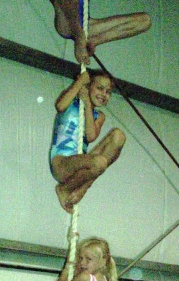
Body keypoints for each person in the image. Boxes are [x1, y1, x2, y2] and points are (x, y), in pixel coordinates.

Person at [50, 68, 125, 213]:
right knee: (100, 162)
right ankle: (63, 189)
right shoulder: (71, 101)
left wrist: (88, 105)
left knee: (118, 136)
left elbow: (90, 136)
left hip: (81, 162)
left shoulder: (99, 116)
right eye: (100, 88)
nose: (104, 94)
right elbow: (60, 106)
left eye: (108, 92)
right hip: (61, 162)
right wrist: (80, 82)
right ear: (89, 86)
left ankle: (83, 187)